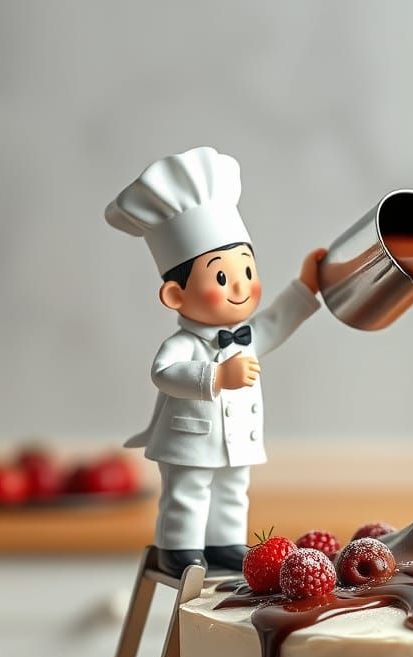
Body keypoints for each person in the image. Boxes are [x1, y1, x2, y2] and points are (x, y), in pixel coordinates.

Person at [106, 146, 325, 576]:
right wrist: (216, 376)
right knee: (188, 492)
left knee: (232, 490)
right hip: (190, 439)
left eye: (248, 271)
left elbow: (277, 322)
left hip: (238, 438)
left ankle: (225, 541)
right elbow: (163, 372)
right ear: (175, 295)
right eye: (222, 277)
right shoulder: (182, 344)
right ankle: (179, 547)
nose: (240, 287)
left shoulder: (248, 337)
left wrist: (306, 287)